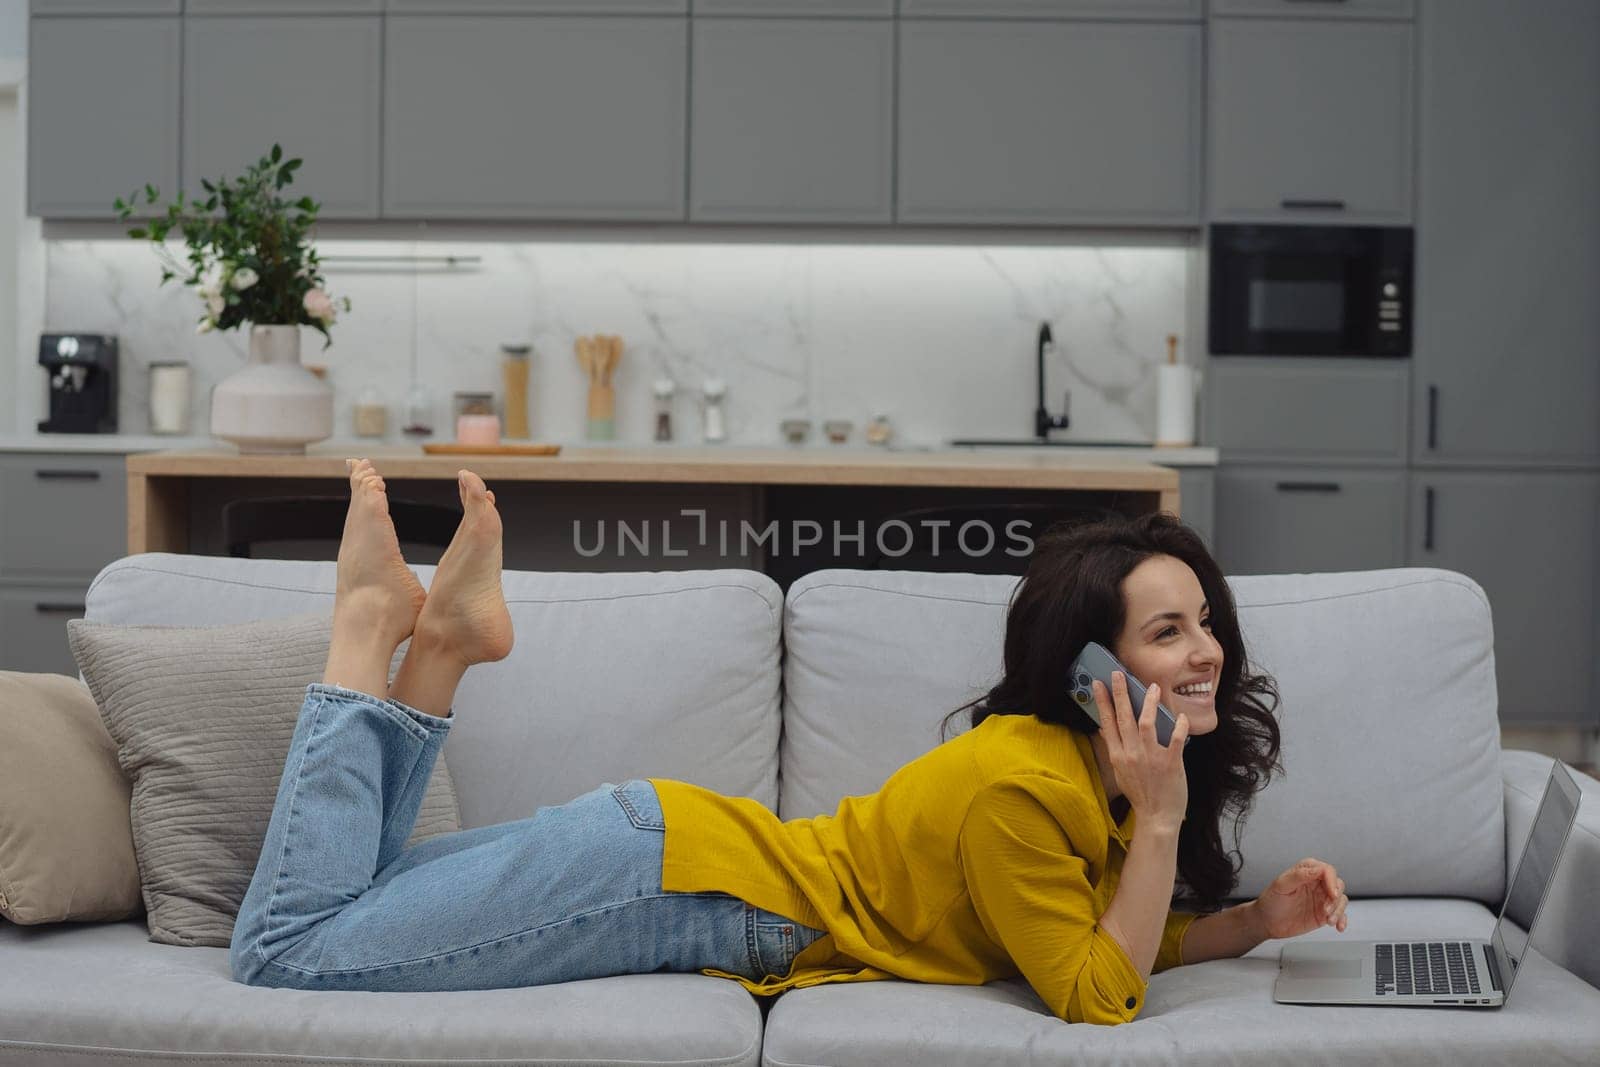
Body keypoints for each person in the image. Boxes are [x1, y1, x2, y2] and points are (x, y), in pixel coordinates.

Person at [231, 459, 1350, 1026]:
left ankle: (439, 652)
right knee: (289, 946)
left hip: (668, 858)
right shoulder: (1025, 788)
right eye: (1168, 630)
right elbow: (1097, 993)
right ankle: (372, 630)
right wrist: (1159, 814)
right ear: (1088, 670)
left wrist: (1253, 923)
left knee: (353, 901)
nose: (1207, 650)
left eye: (1204, 619)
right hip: (672, 882)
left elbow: (1112, 933)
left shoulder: (1087, 772)